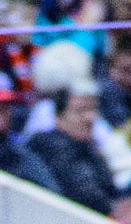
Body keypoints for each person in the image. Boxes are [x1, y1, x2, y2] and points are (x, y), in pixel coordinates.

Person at [26, 84, 117, 215]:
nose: (89, 118)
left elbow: (111, 190)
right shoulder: (49, 144)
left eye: (93, 110)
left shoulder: (89, 147)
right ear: (59, 116)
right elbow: (85, 195)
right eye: (81, 111)